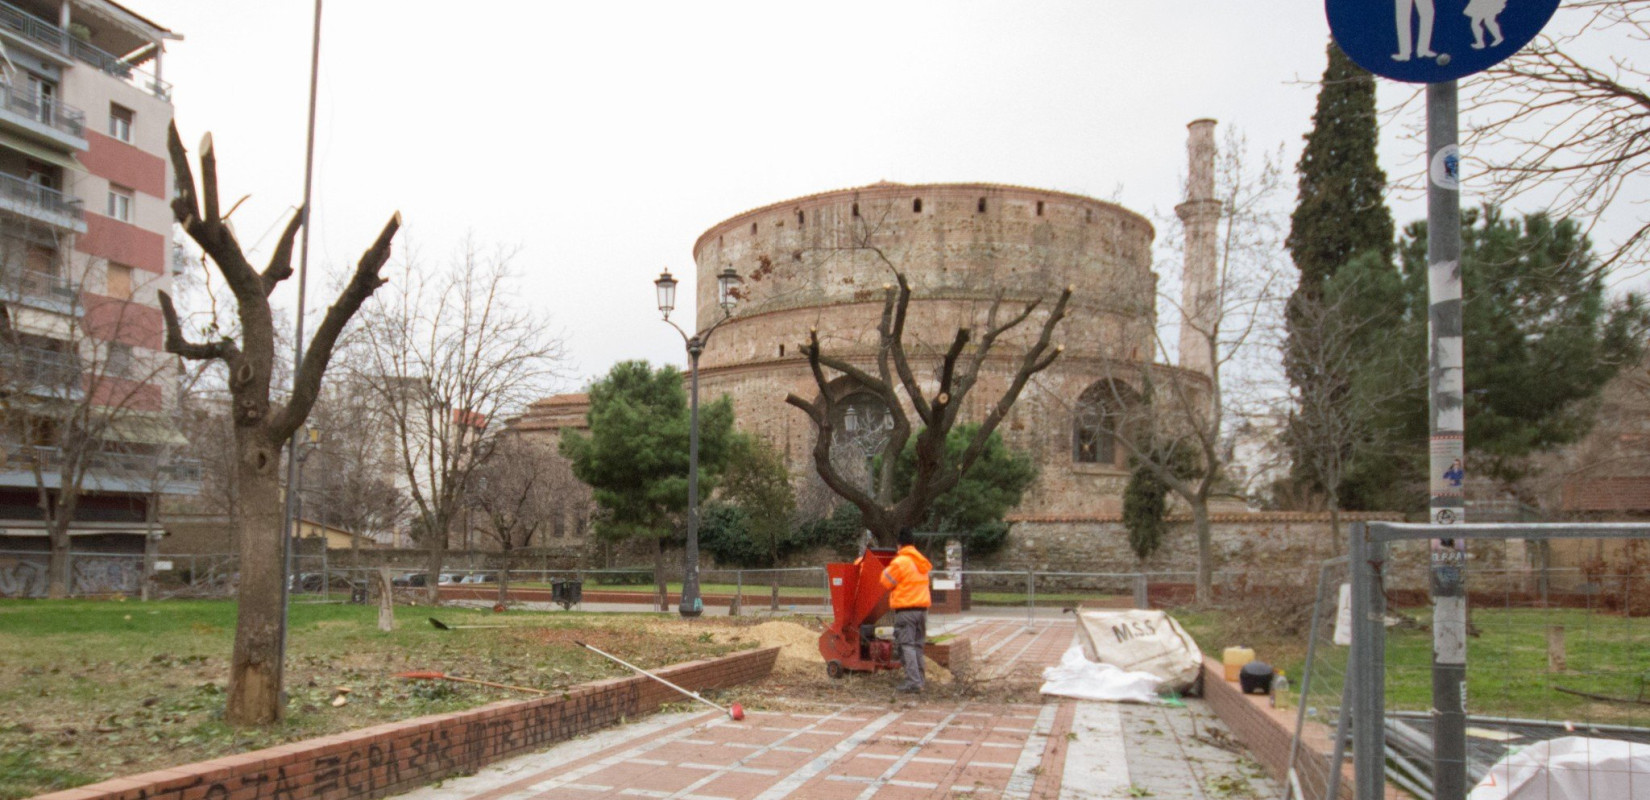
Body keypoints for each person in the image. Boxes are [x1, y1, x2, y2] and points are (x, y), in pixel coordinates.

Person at [880, 528, 932, 693]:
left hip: (906, 610)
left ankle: (913, 683)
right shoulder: (921, 561)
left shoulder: (901, 562)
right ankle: (920, 681)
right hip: (922, 610)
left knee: (907, 646)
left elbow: (885, 581)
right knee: (917, 646)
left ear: (899, 545)